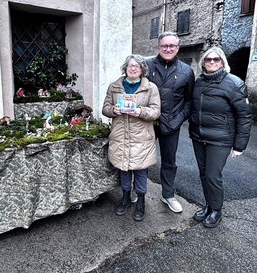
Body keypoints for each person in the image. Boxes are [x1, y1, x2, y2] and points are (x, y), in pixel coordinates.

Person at [189, 46, 252, 228]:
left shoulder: (234, 83)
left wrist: (239, 145)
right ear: (203, 63)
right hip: (199, 137)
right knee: (203, 174)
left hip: (221, 139)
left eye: (216, 59)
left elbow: (244, 116)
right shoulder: (199, 82)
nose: (212, 62)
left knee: (212, 175)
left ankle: (216, 210)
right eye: (208, 60)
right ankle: (208, 205)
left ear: (222, 62)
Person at [102, 54, 161, 221]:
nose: (133, 68)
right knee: (124, 169)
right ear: (125, 68)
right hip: (120, 136)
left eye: (137, 66)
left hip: (141, 137)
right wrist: (113, 110)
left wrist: (141, 112)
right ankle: (126, 198)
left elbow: (156, 112)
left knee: (141, 170)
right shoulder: (114, 87)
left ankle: (141, 201)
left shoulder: (151, 88)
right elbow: (105, 108)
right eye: (130, 66)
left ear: (142, 69)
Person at [146, 31, 195, 213]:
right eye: (164, 46)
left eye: (172, 46)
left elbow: (189, 100)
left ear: (177, 48)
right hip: (148, 122)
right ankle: (139, 191)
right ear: (159, 47)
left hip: (171, 123)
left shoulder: (186, 71)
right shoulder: (147, 65)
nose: (168, 49)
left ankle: (168, 195)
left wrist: (179, 119)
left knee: (169, 161)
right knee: (142, 158)